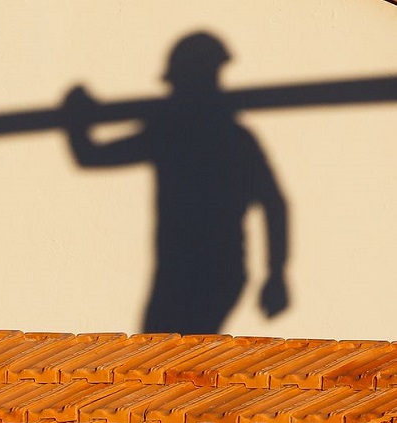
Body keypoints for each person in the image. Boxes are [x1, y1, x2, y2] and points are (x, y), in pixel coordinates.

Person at [63, 32, 289, 334]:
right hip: (198, 272)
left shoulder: (178, 133)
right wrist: (276, 274)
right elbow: (91, 156)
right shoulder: (187, 132)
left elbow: (274, 204)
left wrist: (75, 120)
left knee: (161, 355)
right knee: (163, 356)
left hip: (206, 272)